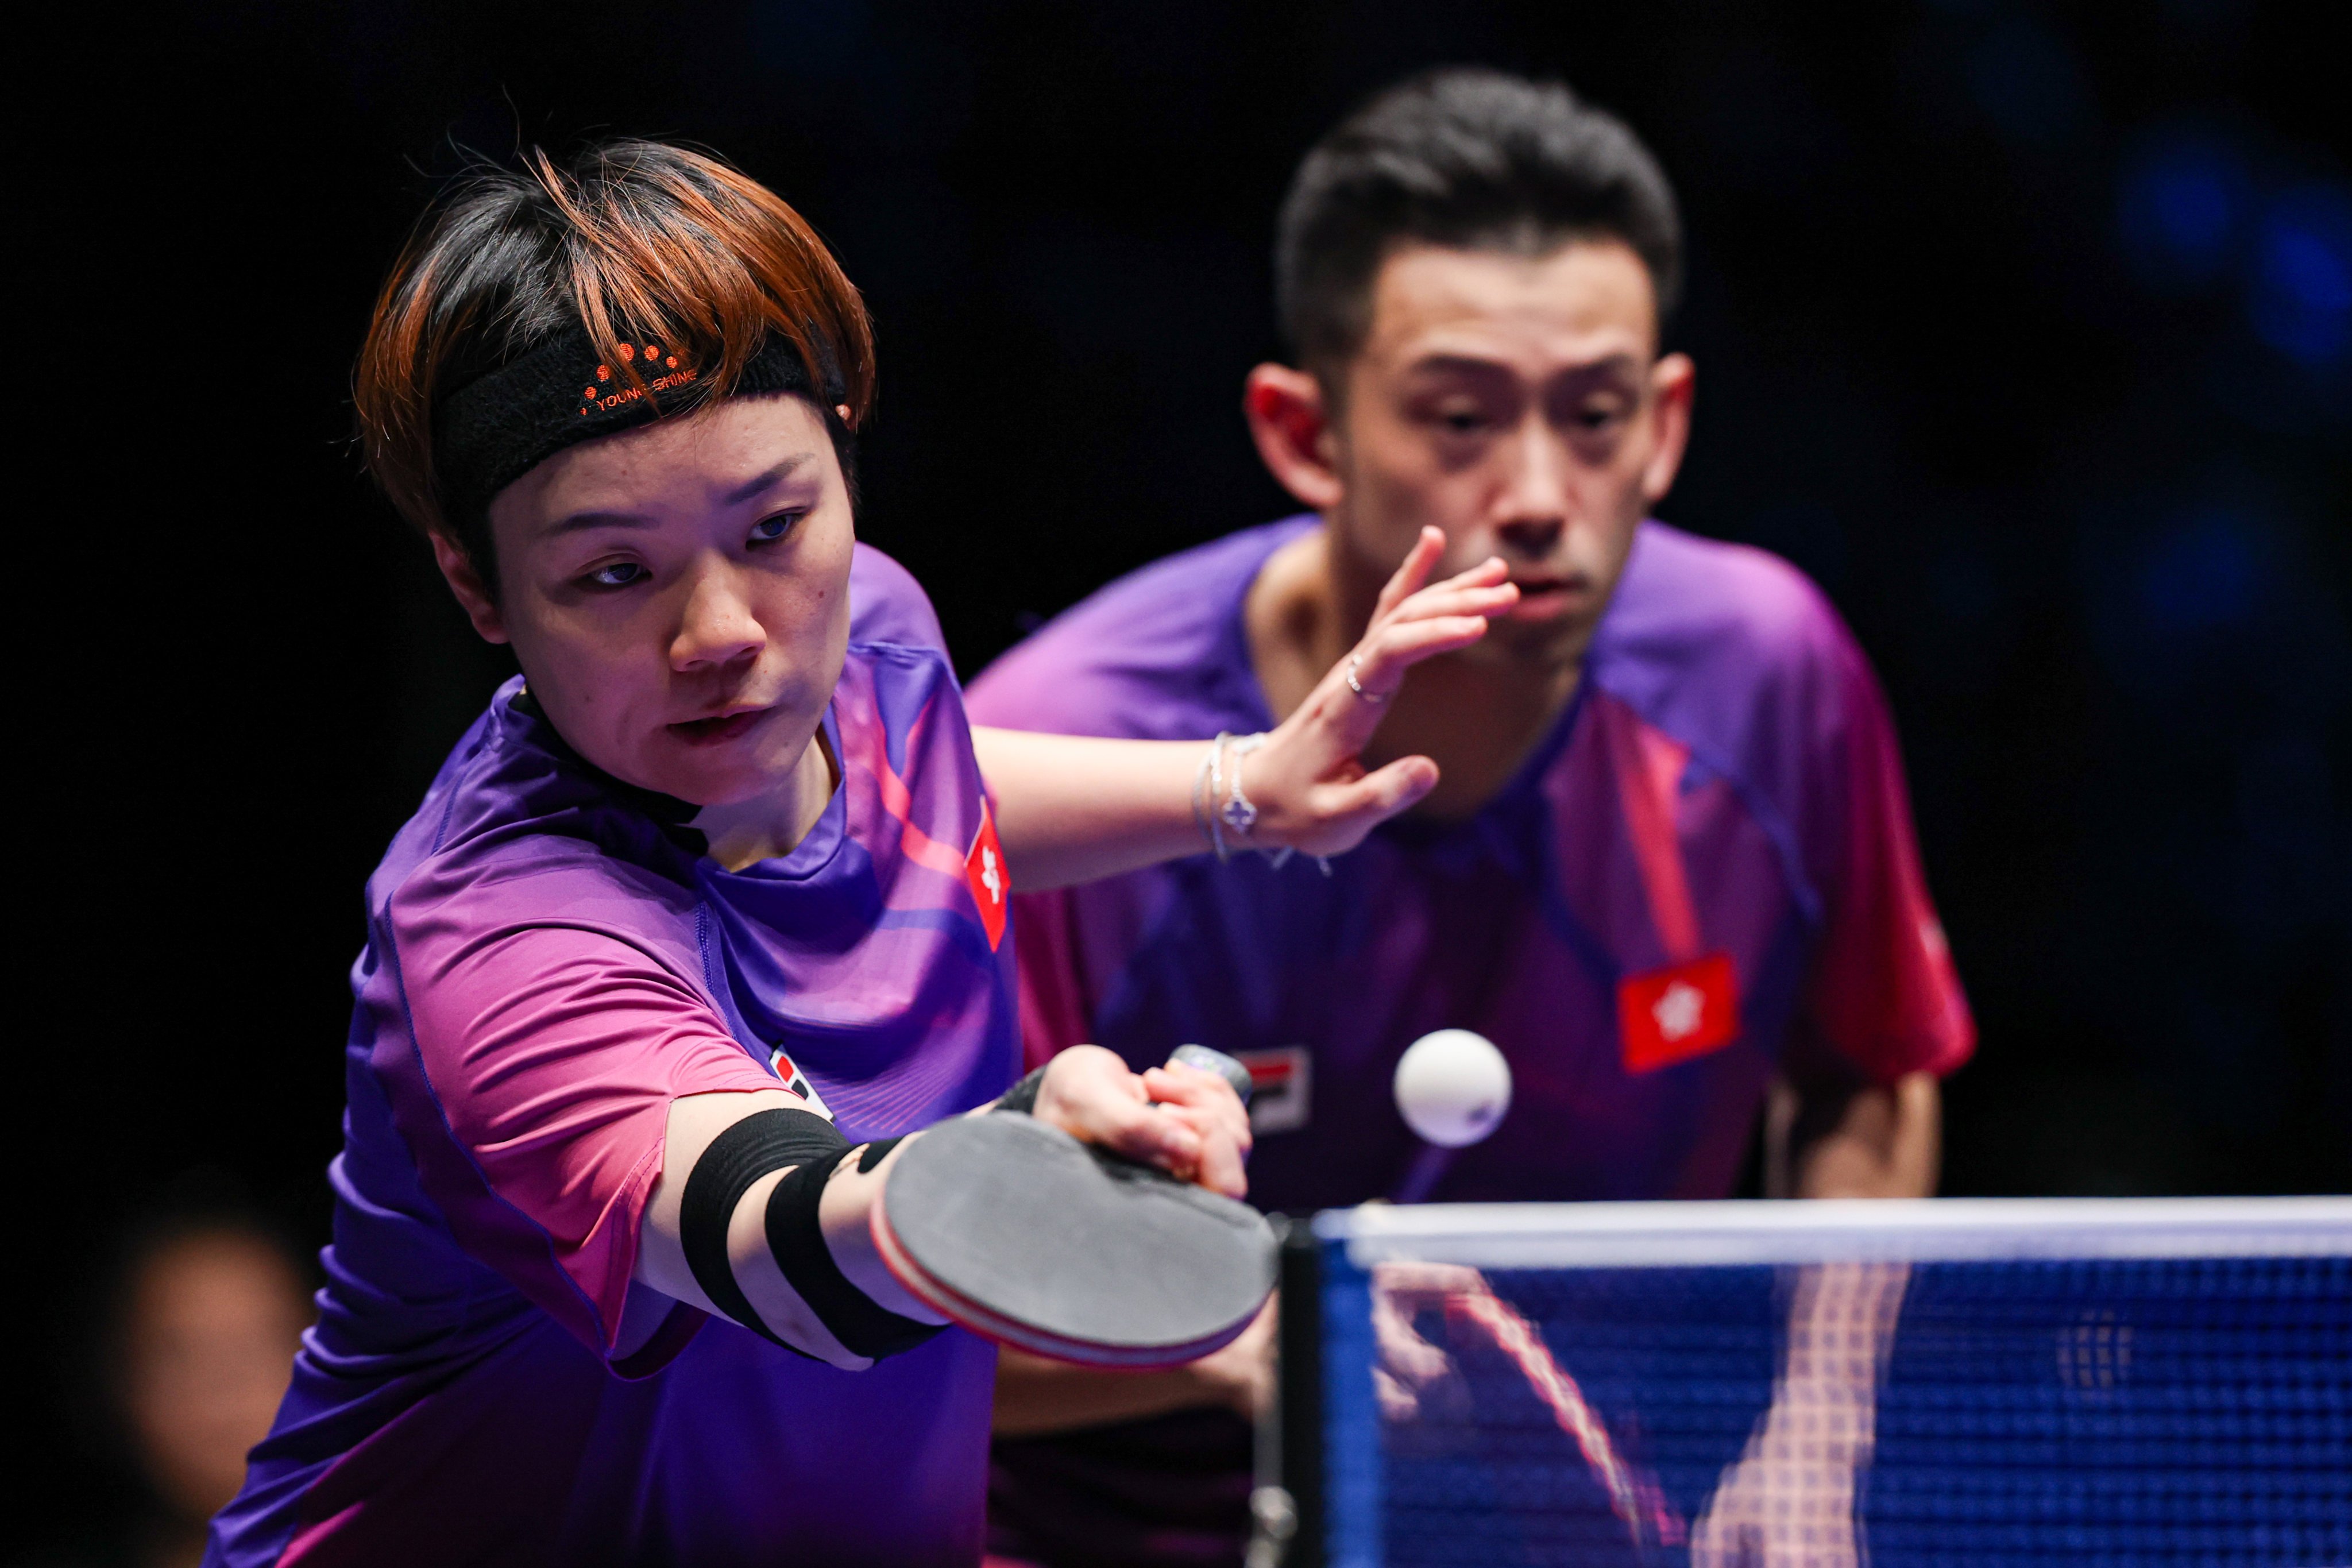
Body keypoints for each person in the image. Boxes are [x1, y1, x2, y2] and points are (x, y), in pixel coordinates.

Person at [203, 140, 1517, 1567]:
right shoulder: (505, 943)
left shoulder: (865, 634)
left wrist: (1236, 787)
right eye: (611, 574)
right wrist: (1012, 1165)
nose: (723, 632)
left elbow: (919, 783)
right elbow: (786, 1254)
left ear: (841, 448)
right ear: (478, 586)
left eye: (774, 525)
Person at [965, 68, 1975, 1567]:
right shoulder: (1062, 768)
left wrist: (1817, 1428)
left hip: (1592, 1532)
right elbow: (869, 1286)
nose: (1540, 494)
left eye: (1594, 415)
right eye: (1459, 418)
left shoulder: (1772, 679)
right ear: (1305, 433)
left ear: (1668, 423)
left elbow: (1868, 1074)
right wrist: (1248, 1346)